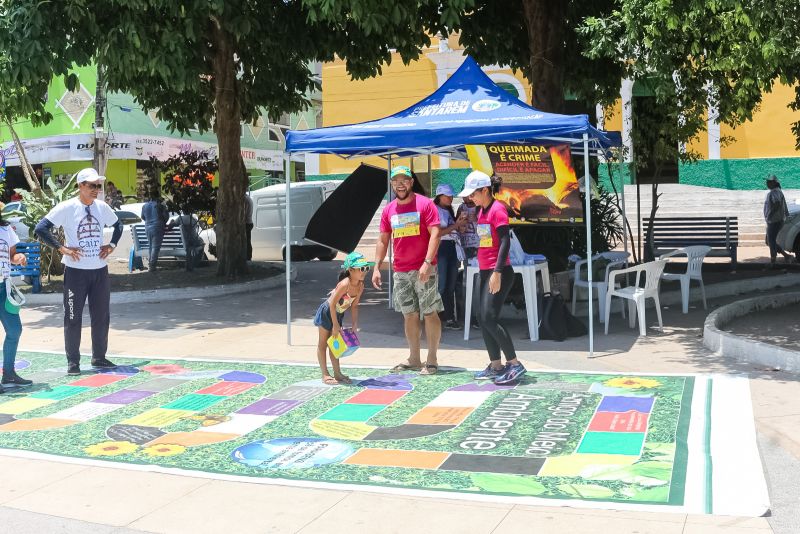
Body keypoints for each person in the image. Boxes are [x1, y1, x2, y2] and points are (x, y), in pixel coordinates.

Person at [34, 168, 122, 376]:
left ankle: (99, 358)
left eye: (98, 186)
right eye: (91, 186)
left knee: (101, 316)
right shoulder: (67, 207)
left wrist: (111, 246)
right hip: (76, 272)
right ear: (80, 186)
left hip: (99, 271)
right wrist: (62, 248)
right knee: (73, 317)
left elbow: (118, 226)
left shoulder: (102, 207)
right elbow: (41, 228)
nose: (96, 190)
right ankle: (73, 362)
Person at [372, 165, 443, 375]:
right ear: (392, 184)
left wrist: (428, 263)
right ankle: (414, 358)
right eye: (396, 181)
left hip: (424, 269)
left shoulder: (425, 204)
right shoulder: (388, 209)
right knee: (409, 314)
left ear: (411, 182)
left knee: (429, 312)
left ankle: (432, 359)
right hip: (400, 271)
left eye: (404, 180)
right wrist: (376, 267)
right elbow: (383, 240)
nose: (400, 184)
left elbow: (436, 234)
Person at [457, 170, 526, 385]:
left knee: (489, 317)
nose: (471, 198)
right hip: (485, 270)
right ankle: (496, 364)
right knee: (481, 317)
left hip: (500, 271)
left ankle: (514, 364)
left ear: (485, 190)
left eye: (474, 194)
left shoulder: (497, 210)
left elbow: (504, 241)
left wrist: (496, 272)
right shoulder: (480, 211)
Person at [313, 252, 371, 385]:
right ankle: (325, 374)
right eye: (361, 269)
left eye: (366, 268)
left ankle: (337, 373)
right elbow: (332, 304)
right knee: (323, 343)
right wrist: (335, 325)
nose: (364, 272)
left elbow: (355, 306)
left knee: (335, 345)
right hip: (327, 312)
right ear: (350, 270)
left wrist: (355, 323)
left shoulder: (360, 286)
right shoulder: (345, 284)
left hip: (338, 314)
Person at [0, 213, 32, 391]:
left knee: (14, 330)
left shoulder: (6, 230)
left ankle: (9, 374)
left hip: (4, 289)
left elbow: (12, 254)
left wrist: (18, 258)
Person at [433, 184, 460, 330]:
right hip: (441, 248)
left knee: (451, 284)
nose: (450, 198)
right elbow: (437, 233)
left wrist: (459, 225)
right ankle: (437, 317)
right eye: (447, 196)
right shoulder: (434, 210)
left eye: (451, 195)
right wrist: (456, 225)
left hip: (452, 248)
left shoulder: (449, 210)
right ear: (439, 196)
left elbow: (452, 229)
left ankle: (449, 317)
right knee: (442, 285)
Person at [456, 196, 481, 329]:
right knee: (467, 283)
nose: (465, 198)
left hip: (479, 247)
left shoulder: (480, 206)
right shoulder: (461, 207)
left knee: (479, 283)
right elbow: (457, 226)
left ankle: (478, 316)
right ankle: (468, 316)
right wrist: (461, 224)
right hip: (466, 247)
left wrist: (476, 219)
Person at [764, 175, 793, 267]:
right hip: (777, 220)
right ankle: (786, 256)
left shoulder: (774, 192)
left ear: (774, 183)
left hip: (774, 220)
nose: (767, 183)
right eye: (767, 181)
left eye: (769, 182)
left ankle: (773, 261)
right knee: (770, 240)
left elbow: (777, 203)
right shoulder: (777, 191)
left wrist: (770, 215)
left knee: (770, 241)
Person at [141, 187, 170, 272]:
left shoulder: (145, 206)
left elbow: (143, 217)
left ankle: (151, 264)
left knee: (151, 246)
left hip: (148, 227)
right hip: (157, 227)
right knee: (155, 247)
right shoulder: (160, 205)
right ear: (158, 196)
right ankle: (152, 266)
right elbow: (166, 217)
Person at [245, 193, 254, 261]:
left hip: (246, 223)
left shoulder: (245, 199)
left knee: (246, 241)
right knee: (248, 241)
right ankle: (248, 256)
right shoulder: (248, 198)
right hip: (249, 222)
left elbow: (244, 213)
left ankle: (248, 257)